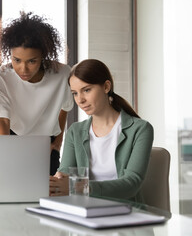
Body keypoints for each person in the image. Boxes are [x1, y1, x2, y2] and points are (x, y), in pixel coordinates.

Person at [49, 59, 154, 203]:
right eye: (75, 93)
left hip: (127, 213)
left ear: (106, 87)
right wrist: (56, 181)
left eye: (86, 90)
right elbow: (65, 172)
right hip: (85, 211)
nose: (80, 100)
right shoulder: (75, 131)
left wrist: (80, 188)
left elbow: (132, 183)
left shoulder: (140, 129)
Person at [0, 12, 74, 175]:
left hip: (46, 144)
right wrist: (2, 155)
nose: (23, 69)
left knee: (47, 194)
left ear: (43, 56)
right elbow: (2, 121)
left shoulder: (62, 74)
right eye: (16, 60)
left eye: (32, 61)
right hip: (10, 139)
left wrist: (58, 143)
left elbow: (65, 108)